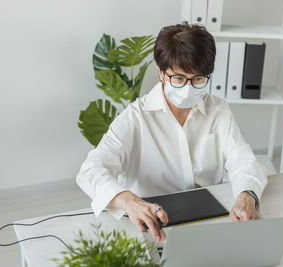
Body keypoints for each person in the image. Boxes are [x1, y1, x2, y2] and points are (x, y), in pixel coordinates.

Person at [76, 22, 268, 243]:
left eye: (198, 79)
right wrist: (128, 200)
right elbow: (90, 171)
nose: (188, 88)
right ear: (160, 72)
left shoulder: (218, 110)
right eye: (178, 78)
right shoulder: (135, 117)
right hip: (150, 225)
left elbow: (243, 160)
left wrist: (246, 195)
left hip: (207, 220)